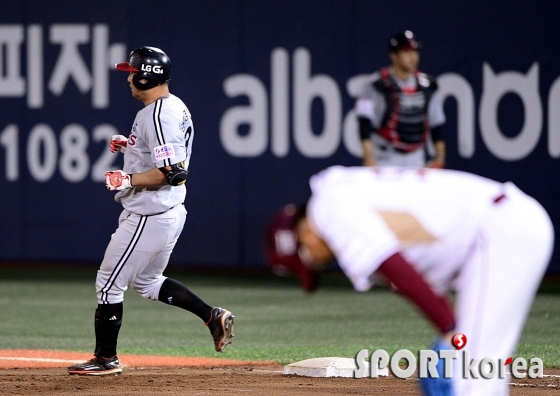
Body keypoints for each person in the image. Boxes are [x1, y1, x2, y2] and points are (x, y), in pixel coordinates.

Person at [265, 165, 553, 395]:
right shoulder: (340, 193)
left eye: (307, 259)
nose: (315, 263)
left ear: (304, 233)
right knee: (473, 371)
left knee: (467, 378)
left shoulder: (330, 210)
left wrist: (451, 329)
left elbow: (395, 267)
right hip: (499, 232)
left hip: (500, 231)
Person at [67, 46, 234, 376]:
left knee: (108, 284)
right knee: (147, 282)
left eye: (132, 72)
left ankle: (105, 359)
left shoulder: (158, 114)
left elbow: (172, 173)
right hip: (167, 213)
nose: (129, 78)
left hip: (149, 215)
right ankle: (211, 316)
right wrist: (130, 146)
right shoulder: (171, 106)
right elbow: (163, 154)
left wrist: (126, 177)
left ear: (147, 76)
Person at [355, 30, 446, 168]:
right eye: (406, 52)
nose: (412, 57)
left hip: (416, 160)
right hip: (385, 159)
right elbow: (364, 124)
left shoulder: (426, 86)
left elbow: (436, 126)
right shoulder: (376, 84)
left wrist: (440, 157)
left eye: (415, 51)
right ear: (393, 56)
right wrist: (368, 157)